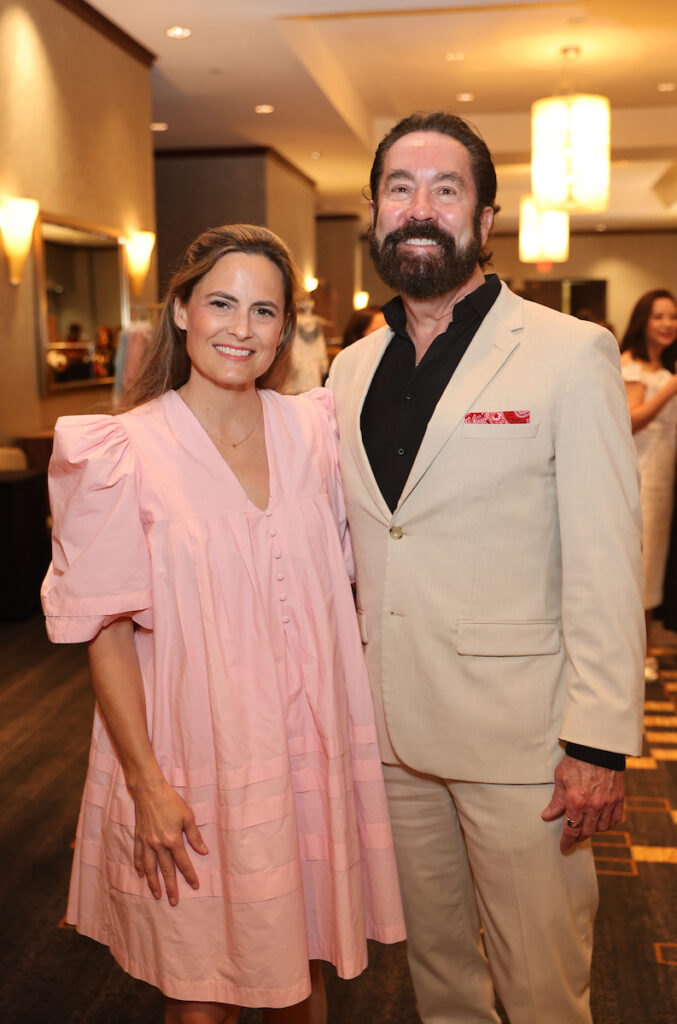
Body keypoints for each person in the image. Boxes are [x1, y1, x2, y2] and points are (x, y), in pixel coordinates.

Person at [41, 224, 404, 1024]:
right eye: (220, 303)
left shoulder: (313, 430)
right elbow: (103, 631)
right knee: (200, 996)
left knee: (298, 979)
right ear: (179, 311)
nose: (241, 329)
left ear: (285, 328)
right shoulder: (118, 450)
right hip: (189, 752)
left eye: (264, 311)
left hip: (304, 746)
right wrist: (144, 782)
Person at [327, 112, 645, 1024]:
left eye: (444, 189)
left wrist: (595, 741)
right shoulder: (349, 370)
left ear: (485, 216)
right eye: (398, 188)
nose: (418, 208)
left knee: (541, 986)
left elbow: (604, 560)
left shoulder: (566, 351)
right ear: (374, 212)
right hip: (390, 733)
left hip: (524, 747)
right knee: (438, 977)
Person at [620, 289, 677, 680]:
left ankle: (645, 648)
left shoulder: (665, 369)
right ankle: (631, 653)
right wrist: (671, 391)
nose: (667, 324)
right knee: (636, 565)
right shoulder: (633, 367)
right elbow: (631, 420)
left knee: (653, 565)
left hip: (665, 478)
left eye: (673, 317)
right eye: (659, 317)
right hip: (640, 476)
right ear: (643, 321)